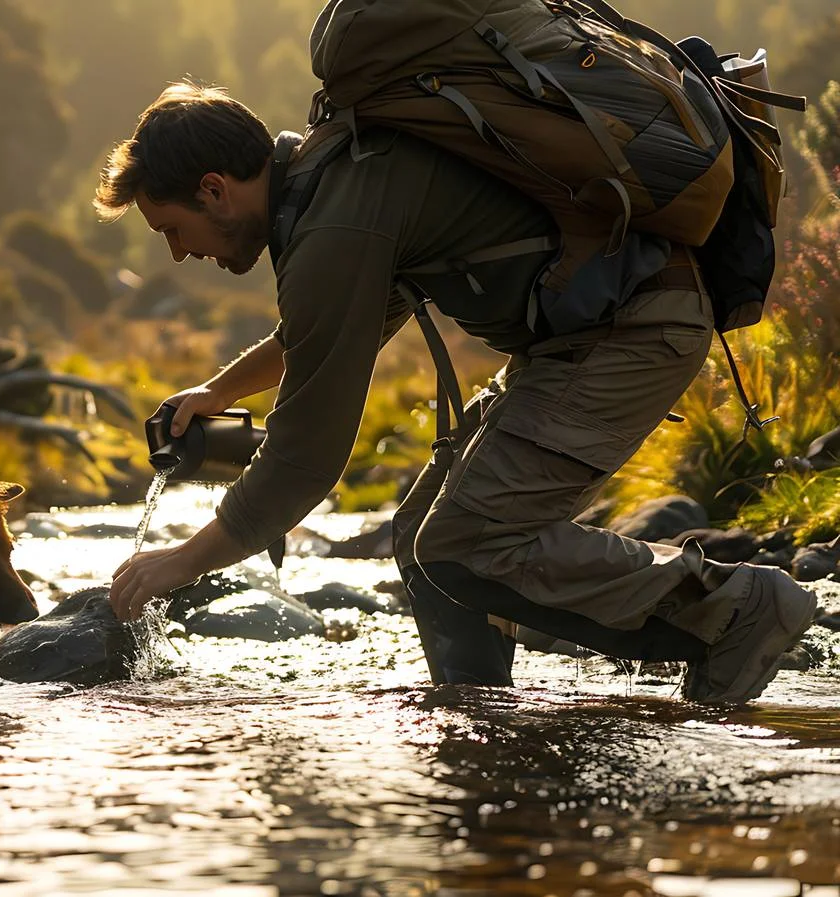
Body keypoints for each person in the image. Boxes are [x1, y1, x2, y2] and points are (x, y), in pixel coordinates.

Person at [99, 81, 817, 704]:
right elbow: (325, 330)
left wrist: (181, 560)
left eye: (171, 229)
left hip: (632, 329)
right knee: (422, 540)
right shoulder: (335, 178)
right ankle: (479, 711)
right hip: (586, 335)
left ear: (214, 189)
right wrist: (219, 389)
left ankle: (738, 607)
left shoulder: (333, 222)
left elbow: (305, 457)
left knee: (466, 541)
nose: (178, 251)